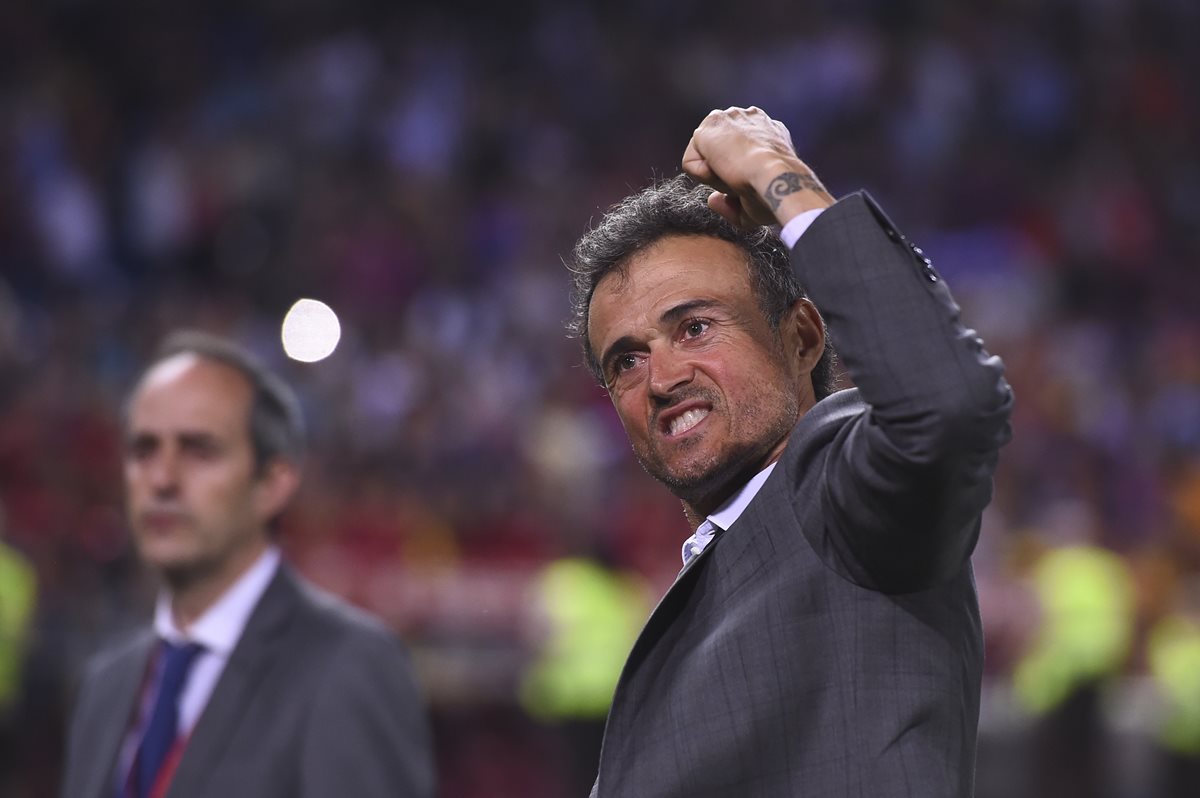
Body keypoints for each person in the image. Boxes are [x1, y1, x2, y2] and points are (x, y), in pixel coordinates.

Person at [568, 106, 1013, 797]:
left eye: (695, 327)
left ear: (802, 338)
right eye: (627, 360)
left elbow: (946, 403)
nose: (660, 379)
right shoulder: (708, 580)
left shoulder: (839, 496)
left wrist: (775, 174)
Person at [61, 331, 434, 798]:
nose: (161, 478)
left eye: (200, 450)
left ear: (272, 484)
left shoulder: (348, 667)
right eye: (143, 450)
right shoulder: (105, 686)